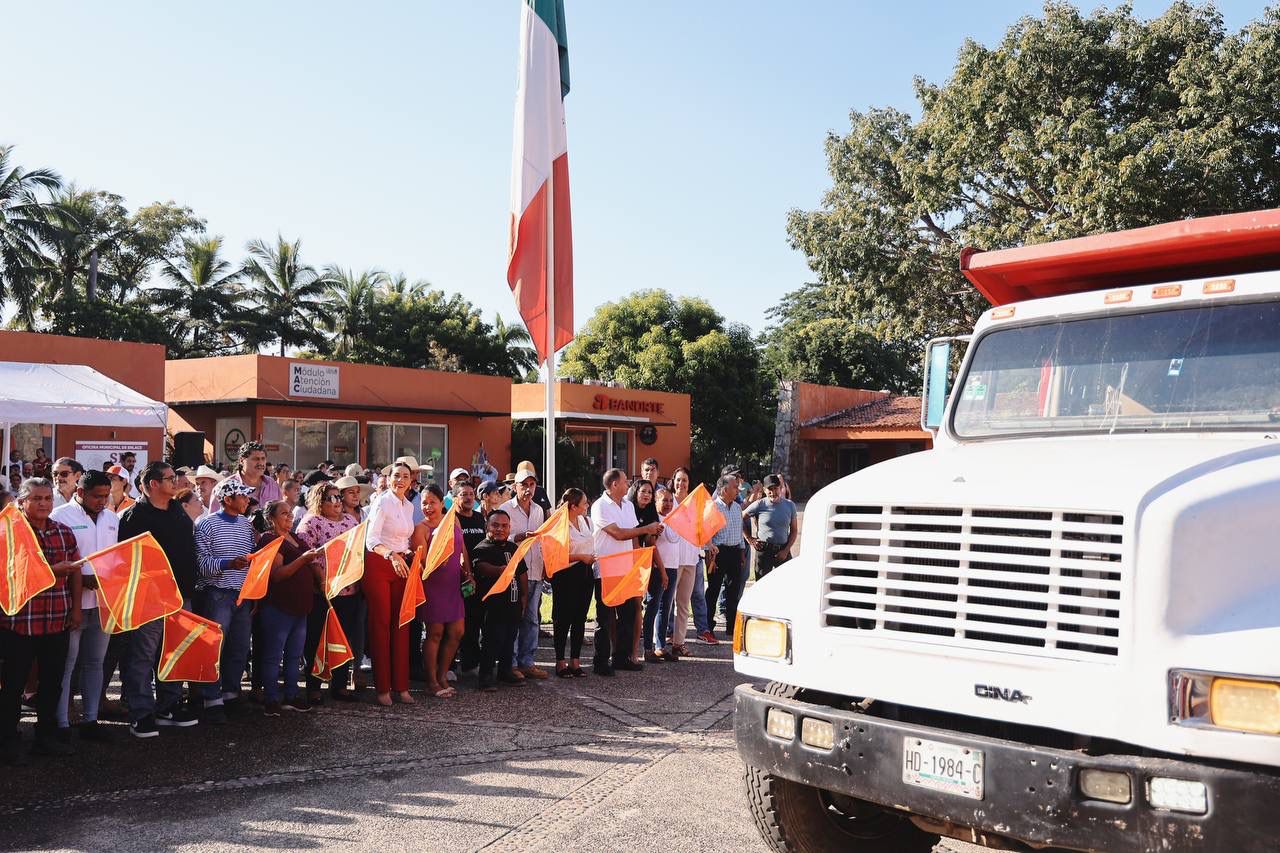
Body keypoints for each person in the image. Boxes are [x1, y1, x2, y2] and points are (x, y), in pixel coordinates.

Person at [1, 478, 83, 764]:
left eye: (47, 498)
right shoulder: (10, 533)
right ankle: (8, 740)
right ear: (21, 502)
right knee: (13, 685)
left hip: (56, 619)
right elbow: (10, 575)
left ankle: (45, 737)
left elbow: (74, 572)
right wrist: (52, 570)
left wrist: (75, 611)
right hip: (18, 621)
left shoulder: (63, 532)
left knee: (52, 683)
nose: (44, 503)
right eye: (36, 498)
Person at [117, 461, 202, 737]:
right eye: (169, 478)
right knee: (143, 654)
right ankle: (141, 712)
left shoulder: (177, 510)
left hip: (181, 595)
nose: (176, 482)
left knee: (173, 652)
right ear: (153, 484)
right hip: (150, 597)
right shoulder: (135, 516)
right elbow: (128, 559)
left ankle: (168, 705)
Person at [49, 471, 117, 742]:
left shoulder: (112, 518)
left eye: (105, 496)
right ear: (80, 493)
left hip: (103, 603)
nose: (102, 501)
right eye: (96, 496)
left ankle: (91, 720)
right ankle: (62, 722)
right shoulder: (60, 515)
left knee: (94, 663)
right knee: (66, 664)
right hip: (70, 603)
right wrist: (79, 580)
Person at [193, 479, 259, 723]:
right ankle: (212, 698)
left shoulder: (245, 525)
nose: (247, 500)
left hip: (242, 595)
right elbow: (201, 564)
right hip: (217, 593)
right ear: (227, 500)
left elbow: (253, 561)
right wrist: (229, 564)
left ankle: (230, 693)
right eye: (242, 497)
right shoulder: (206, 524)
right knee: (215, 649)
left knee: (239, 647)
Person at [589, 469, 662, 676]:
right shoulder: (599, 506)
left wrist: (638, 561)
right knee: (605, 617)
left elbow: (632, 538)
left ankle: (621, 658)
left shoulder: (628, 505)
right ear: (613, 485)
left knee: (628, 615)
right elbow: (619, 534)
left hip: (626, 568)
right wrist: (646, 528)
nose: (628, 483)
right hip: (606, 568)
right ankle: (601, 661)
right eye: (624, 481)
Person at [256, 500, 322, 716]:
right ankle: (271, 698)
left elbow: (309, 563)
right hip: (279, 605)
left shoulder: (296, 537)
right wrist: (303, 559)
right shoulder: (270, 539)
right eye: (283, 513)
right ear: (271, 518)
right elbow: (278, 574)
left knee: (295, 654)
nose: (289, 516)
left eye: (290, 513)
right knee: (274, 654)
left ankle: (292, 695)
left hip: (300, 606)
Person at [298, 480, 362, 701]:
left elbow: (357, 552)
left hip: (348, 589)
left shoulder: (350, 521)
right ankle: (314, 687)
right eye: (331, 498)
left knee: (343, 637)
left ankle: (340, 685)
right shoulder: (311, 523)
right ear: (319, 501)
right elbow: (309, 556)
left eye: (338, 497)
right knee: (316, 638)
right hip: (322, 592)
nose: (336, 502)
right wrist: (322, 580)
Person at [411, 485, 470, 698]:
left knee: (457, 631)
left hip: (454, 584)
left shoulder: (453, 520)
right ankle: (432, 680)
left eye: (432, 502)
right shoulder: (421, 529)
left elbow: (462, 549)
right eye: (424, 503)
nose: (428, 507)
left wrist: (467, 571)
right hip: (433, 585)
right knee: (435, 633)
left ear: (441, 503)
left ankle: (443, 673)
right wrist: (437, 562)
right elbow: (423, 564)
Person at [364, 461, 415, 707]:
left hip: (402, 565)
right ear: (389, 477)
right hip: (380, 563)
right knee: (381, 625)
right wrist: (390, 555)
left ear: (411, 480)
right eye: (396, 476)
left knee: (402, 625)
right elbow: (371, 539)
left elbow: (404, 538)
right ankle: (383, 689)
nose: (400, 480)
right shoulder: (382, 501)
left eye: (405, 476)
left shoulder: (409, 505)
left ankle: (401, 687)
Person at [470, 510, 527, 692]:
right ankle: (486, 676)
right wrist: (500, 570)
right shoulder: (482, 548)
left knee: (509, 639)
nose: (500, 529)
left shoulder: (513, 548)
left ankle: (505, 671)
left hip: (513, 603)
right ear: (487, 526)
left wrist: (524, 596)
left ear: (510, 528)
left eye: (504, 526)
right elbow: (481, 567)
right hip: (492, 607)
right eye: (495, 525)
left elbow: (522, 572)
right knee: (491, 640)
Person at [504, 466, 547, 680]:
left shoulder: (539, 510)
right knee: (513, 617)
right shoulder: (506, 508)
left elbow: (541, 541)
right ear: (515, 487)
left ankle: (527, 662)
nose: (528, 489)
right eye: (524, 485)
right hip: (514, 571)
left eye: (532, 485)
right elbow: (498, 535)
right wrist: (518, 536)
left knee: (532, 618)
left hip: (536, 570)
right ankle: (510, 663)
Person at [551, 488, 594, 678]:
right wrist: (580, 556)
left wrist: (589, 558)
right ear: (573, 506)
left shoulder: (586, 521)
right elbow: (555, 554)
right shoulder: (559, 524)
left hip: (585, 573)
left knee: (580, 618)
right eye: (584, 503)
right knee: (563, 618)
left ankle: (575, 660)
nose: (587, 506)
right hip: (566, 574)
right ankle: (560, 661)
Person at [667, 467, 707, 654]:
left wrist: (708, 546)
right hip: (672, 561)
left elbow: (701, 529)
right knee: (666, 604)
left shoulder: (695, 504)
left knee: (683, 604)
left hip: (691, 559)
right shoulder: (668, 501)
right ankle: (658, 642)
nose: (681, 484)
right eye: (678, 480)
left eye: (684, 480)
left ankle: (678, 643)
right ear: (673, 481)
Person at [453, 482, 489, 676]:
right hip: (459, 577)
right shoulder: (452, 519)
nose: (468, 498)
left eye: (471, 494)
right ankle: (450, 664)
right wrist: (466, 573)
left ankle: (470, 663)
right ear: (455, 498)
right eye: (464, 494)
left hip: (479, 577)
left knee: (474, 620)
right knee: (457, 622)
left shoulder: (478, 518)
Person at [628, 479, 665, 664]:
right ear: (635, 492)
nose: (647, 495)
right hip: (629, 564)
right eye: (643, 491)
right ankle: (629, 652)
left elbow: (650, 544)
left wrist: (654, 533)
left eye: (650, 492)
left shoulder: (651, 512)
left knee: (650, 606)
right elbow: (632, 539)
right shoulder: (628, 509)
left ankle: (644, 650)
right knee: (633, 609)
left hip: (646, 562)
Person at [705, 475, 746, 640]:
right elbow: (707, 535)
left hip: (735, 552)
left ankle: (731, 627)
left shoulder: (737, 508)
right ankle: (708, 625)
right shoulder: (712, 508)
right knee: (713, 591)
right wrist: (709, 557)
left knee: (733, 591)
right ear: (724, 489)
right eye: (735, 487)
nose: (738, 490)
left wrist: (742, 552)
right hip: (718, 553)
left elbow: (740, 533)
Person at [644, 487, 681, 662]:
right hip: (658, 569)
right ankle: (647, 648)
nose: (667, 504)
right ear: (656, 501)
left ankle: (661, 647)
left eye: (670, 500)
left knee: (666, 608)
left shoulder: (673, 519)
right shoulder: (655, 521)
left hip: (673, 567)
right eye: (664, 500)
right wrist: (663, 571)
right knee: (653, 606)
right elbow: (651, 544)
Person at [744, 474, 799, 580]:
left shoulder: (790, 505)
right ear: (764, 490)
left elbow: (794, 531)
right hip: (764, 551)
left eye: (775, 488)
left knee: (788, 584)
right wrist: (750, 539)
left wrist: (786, 550)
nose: (773, 492)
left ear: (780, 488)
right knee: (761, 586)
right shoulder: (759, 504)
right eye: (769, 489)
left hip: (783, 550)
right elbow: (740, 517)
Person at [225, 440, 281, 507]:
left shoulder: (272, 485)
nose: (260, 463)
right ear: (242, 461)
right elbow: (215, 516)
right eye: (256, 459)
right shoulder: (227, 487)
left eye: (263, 459)